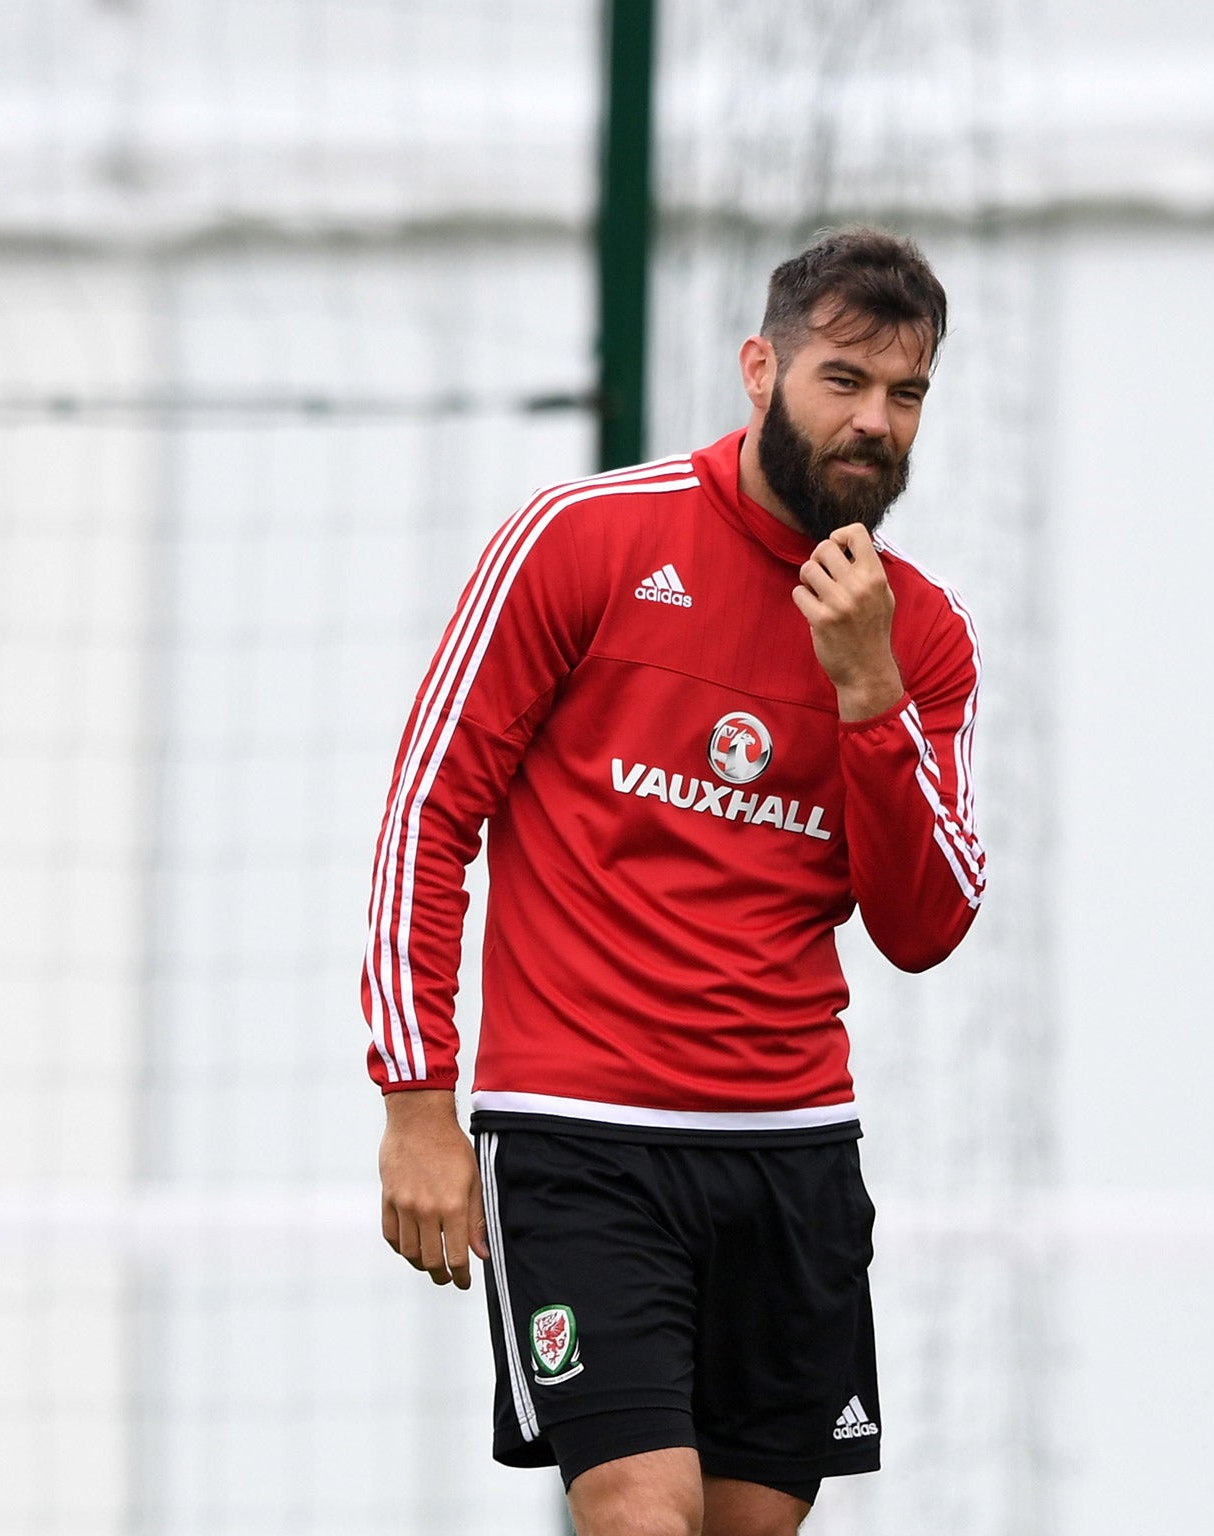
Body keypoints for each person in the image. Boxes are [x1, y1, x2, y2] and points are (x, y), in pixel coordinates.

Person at [363, 228, 983, 1536]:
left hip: (793, 1156)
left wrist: (869, 694)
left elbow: (926, 928)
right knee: (645, 1515)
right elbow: (430, 812)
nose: (876, 422)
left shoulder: (916, 632)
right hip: (582, 1144)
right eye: (843, 381)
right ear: (759, 370)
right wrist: (417, 1100)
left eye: (907, 394)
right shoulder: (583, 539)